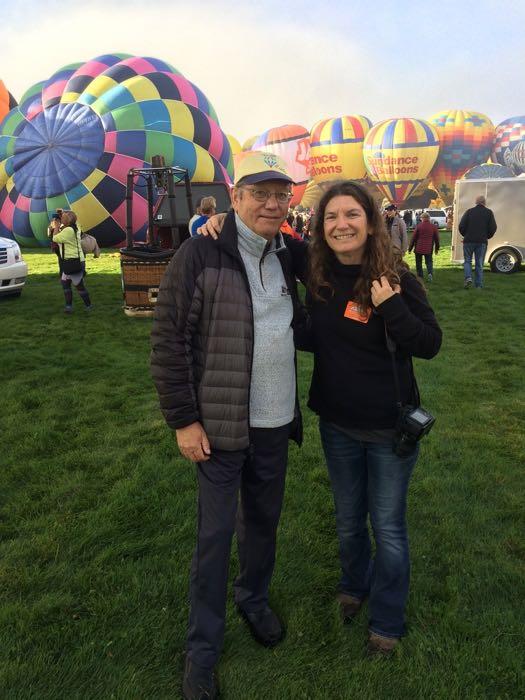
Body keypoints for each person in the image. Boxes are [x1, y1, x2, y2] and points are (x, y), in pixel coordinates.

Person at [200, 180, 442, 657]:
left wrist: (391, 306)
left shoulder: (395, 275)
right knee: (350, 521)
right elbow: (261, 231)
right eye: (331, 217)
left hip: (390, 429)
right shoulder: (313, 268)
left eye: (351, 215)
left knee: (388, 528)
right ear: (321, 226)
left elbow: (429, 344)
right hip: (337, 423)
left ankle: (387, 622)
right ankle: (354, 586)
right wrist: (223, 219)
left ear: (370, 222)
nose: (341, 225)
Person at [151, 151, 305, 700]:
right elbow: (168, 340)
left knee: (263, 525)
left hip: (275, 422)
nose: (270, 202)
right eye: (258, 193)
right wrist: (184, 419)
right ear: (234, 197)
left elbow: (347, 257)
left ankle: (254, 599)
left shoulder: (289, 253)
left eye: (279, 193)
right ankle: (202, 650)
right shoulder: (200, 253)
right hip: (217, 427)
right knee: (214, 538)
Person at [52, 210, 92, 313]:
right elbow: (73, 219)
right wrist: (63, 214)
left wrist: (56, 226)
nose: (61, 219)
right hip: (73, 260)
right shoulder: (76, 227)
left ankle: (88, 306)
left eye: (62, 218)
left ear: (66, 220)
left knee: (79, 286)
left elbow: (55, 238)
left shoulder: (68, 230)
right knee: (65, 283)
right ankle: (69, 307)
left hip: (72, 261)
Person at [458, 195, 497, 288]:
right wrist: (487, 236)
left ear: (476, 202)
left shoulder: (469, 211)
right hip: (482, 242)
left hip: (468, 241)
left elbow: (461, 226)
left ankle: (468, 278)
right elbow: (493, 228)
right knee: (479, 263)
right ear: (484, 202)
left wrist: (465, 235)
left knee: (467, 261)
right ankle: (478, 285)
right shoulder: (489, 213)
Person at [408, 212, 440, 281]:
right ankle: (430, 273)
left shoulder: (419, 226)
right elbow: (437, 239)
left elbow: (413, 238)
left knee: (418, 262)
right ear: (428, 218)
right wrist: (437, 248)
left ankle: (420, 276)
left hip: (418, 248)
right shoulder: (433, 227)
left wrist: (410, 248)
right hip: (429, 248)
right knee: (429, 261)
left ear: (422, 218)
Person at [47, 209, 64, 276]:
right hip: (58, 245)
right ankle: (63, 272)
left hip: (55, 246)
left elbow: (48, 235)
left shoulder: (51, 226)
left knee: (60, 259)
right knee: (62, 259)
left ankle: (62, 272)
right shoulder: (59, 226)